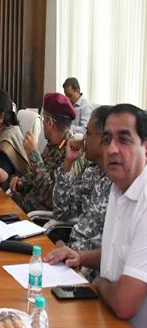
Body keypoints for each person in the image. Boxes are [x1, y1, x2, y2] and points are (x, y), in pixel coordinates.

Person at [46, 104, 147, 325]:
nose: (112, 149)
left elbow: (124, 303)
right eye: (107, 139)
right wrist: (80, 256)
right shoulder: (118, 188)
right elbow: (116, 252)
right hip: (103, 309)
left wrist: (99, 283)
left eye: (124, 139)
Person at [52, 106, 112, 254]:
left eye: (88, 133)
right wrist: (68, 163)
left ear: (104, 139)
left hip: (85, 261)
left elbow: (106, 243)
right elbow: (61, 211)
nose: (84, 138)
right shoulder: (91, 172)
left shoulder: (117, 182)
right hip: (70, 252)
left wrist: (70, 250)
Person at [10, 92, 80, 212]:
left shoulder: (72, 152)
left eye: (43, 120)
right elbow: (40, 173)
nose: (42, 125)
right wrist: (21, 183)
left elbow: (51, 197)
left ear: (50, 123)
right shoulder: (53, 143)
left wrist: (33, 154)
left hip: (36, 216)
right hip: (22, 205)